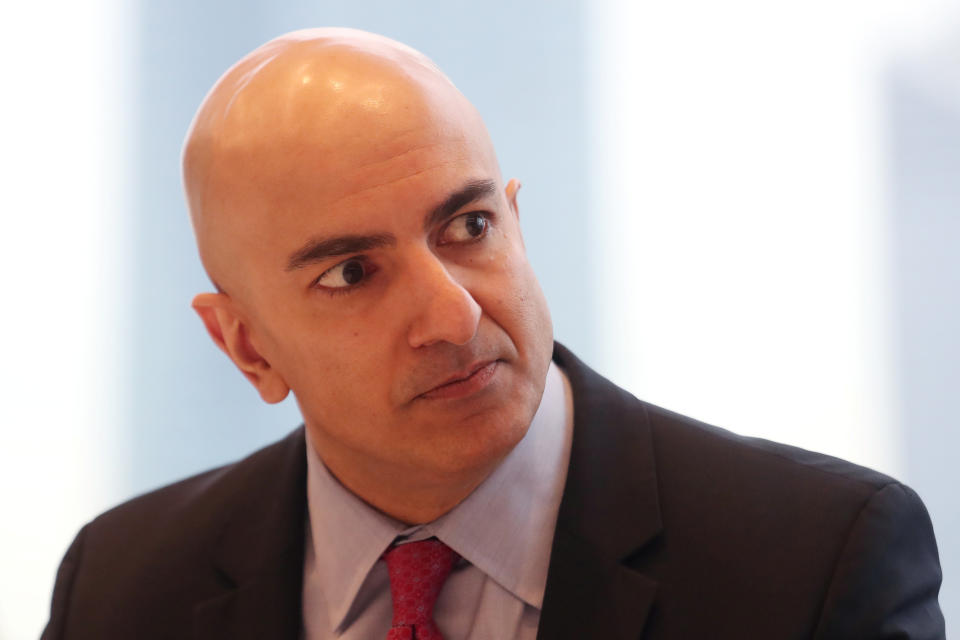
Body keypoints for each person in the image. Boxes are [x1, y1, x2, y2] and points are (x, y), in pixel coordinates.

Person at [43, 28, 945, 640]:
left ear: (515, 220)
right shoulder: (121, 590)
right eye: (352, 273)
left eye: (467, 228)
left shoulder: (820, 564)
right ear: (246, 346)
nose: (454, 315)